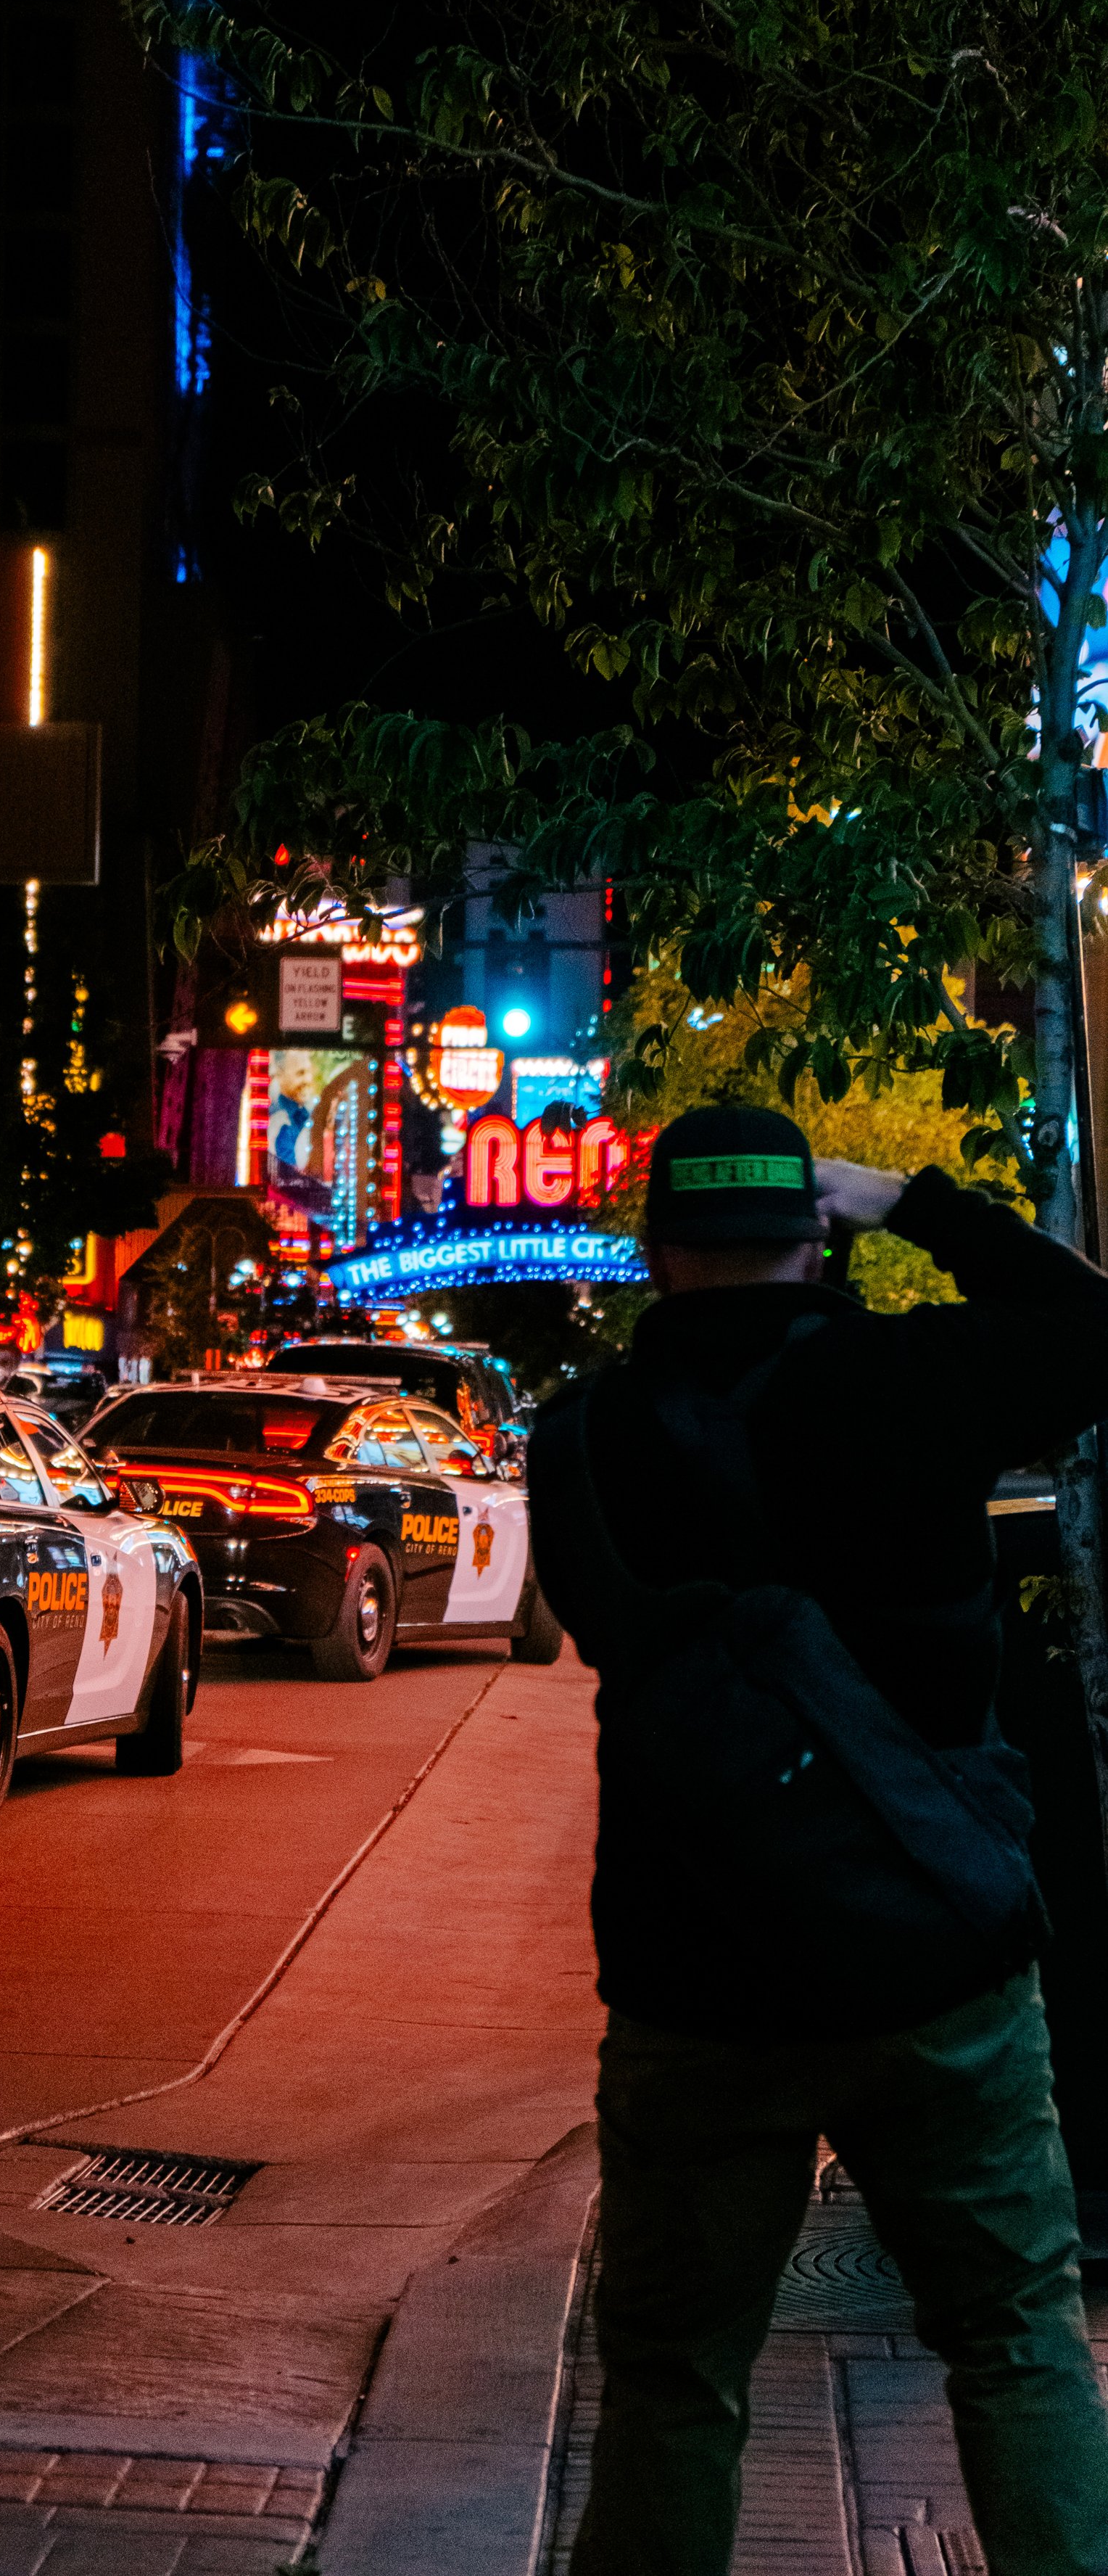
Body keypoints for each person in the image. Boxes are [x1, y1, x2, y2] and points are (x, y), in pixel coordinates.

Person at [529, 1102, 1108, 2576]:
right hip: (939, 1957)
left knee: (673, 2379)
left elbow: (610, 1636)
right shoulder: (911, 1383)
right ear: (816, 1234)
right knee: (1013, 2337)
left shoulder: (582, 1442)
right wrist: (910, 1198)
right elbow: (1094, 1329)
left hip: (694, 1973)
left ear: (655, 1251)